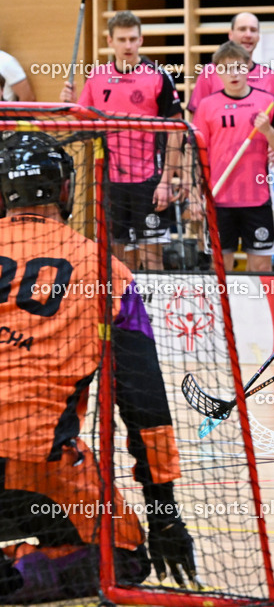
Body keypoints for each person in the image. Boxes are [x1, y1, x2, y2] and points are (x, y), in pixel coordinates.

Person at [0, 132, 196, 600]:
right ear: (68, 191)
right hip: (33, 475)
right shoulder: (107, 276)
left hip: (27, 475)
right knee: (123, 555)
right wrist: (163, 514)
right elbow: (144, 403)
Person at [59, 10, 186, 271]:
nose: (128, 45)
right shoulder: (97, 78)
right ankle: (123, 312)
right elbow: (82, 124)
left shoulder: (158, 77)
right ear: (110, 41)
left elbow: (177, 131)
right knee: (119, 261)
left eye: (132, 39)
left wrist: (166, 182)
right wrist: (68, 105)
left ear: (141, 40)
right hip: (111, 182)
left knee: (152, 260)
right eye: (122, 39)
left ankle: (151, 313)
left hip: (150, 182)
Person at [192, 41, 274, 272]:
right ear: (217, 72)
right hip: (218, 200)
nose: (233, 74)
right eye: (226, 69)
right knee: (220, 267)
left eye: (238, 67)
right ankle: (225, 310)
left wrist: (268, 131)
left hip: (256, 200)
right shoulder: (206, 106)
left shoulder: (267, 102)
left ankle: (257, 310)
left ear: (248, 67)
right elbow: (197, 154)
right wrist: (196, 194)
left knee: (261, 266)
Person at [186, 12, 274, 117]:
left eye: (253, 30)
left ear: (258, 37)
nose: (248, 35)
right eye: (242, 29)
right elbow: (197, 118)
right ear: (231, 35)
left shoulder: (270, 76)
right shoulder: (209, 72)